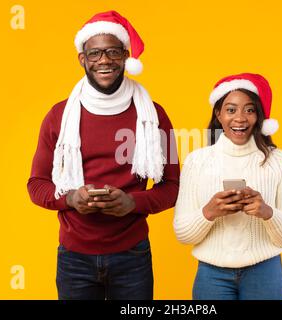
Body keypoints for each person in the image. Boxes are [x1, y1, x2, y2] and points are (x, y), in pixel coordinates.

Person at [27, 10, 180, 300]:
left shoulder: (155, 115)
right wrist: (71, 198)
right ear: (82, 59)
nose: (104, 60)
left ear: (125, 55)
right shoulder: (58, 116)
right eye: (95, 53)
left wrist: (131, 202)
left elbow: (172, 187)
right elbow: (36, 185)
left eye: (112, 51)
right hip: (74, 258)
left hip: (133, 255)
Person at [173, 73, 282, 300]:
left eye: (250, 110)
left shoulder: (280, 161)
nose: (240, 118)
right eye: (231, 109)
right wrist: (209, 212)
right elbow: (182, 233)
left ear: (260, 116)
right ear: (219, 114)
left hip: (265, 272)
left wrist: (268, 213)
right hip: (211, 275)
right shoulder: (197, 161)